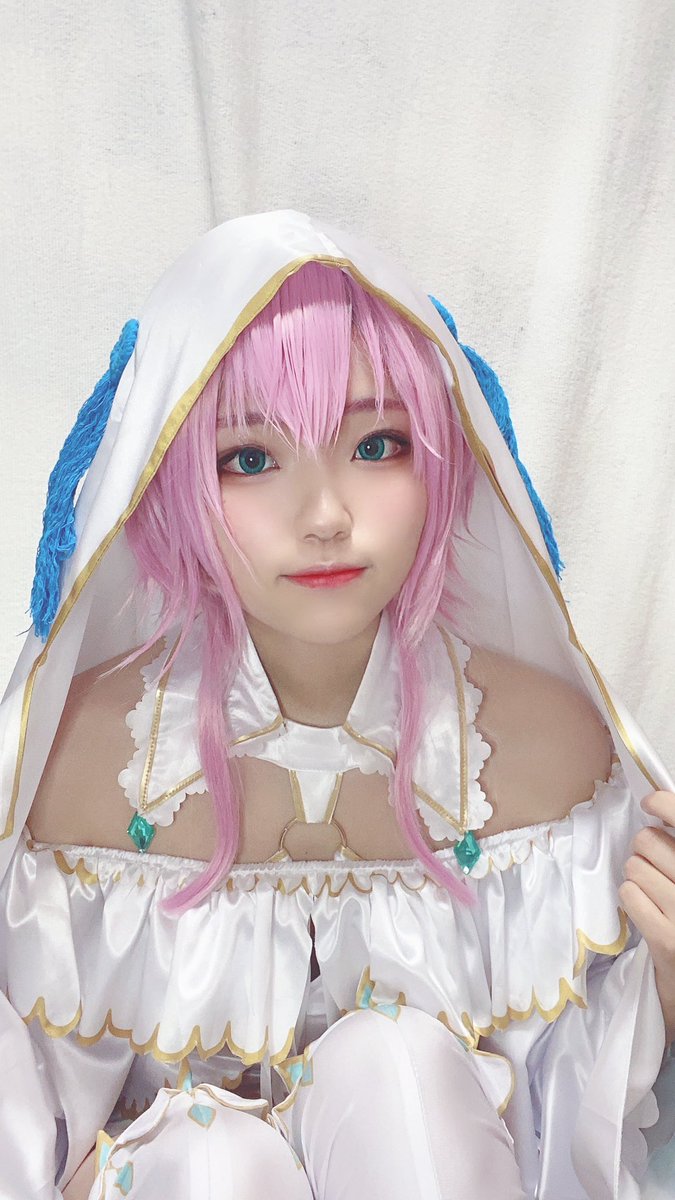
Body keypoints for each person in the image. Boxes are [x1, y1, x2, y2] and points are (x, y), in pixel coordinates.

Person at [0, 209, 673, 1199]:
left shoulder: (549, 758)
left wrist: (667, 981)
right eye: (250, 458)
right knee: (207, 1160)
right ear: (164, 473)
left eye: (377, 444)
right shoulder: (71, 773)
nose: (324, 516)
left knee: (397, 1070)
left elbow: (590, 1120)